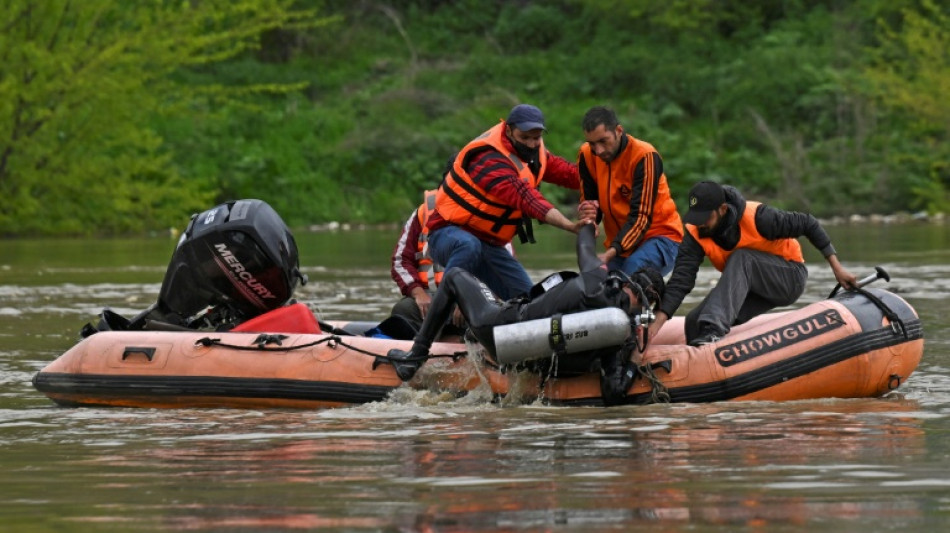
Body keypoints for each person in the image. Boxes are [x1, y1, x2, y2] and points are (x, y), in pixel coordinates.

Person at [386, 223, 666, 404]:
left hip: (501, 330)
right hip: (536, 363)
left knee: (455, 276)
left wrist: (587, 222)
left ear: (627, 280)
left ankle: (415, 358)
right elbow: (614, 392)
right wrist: (634, 362)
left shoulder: (595, 279)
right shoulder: (621, 334)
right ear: (648, 304)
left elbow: (583, 247)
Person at [648, 180, 858, 346]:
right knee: (695, 321)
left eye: (705, 217)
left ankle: (713, 332)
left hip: (788, 277)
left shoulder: (760, 217)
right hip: (749, 288)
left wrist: (837, 269)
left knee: (742, 258)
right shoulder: (695, 234)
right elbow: (680, 282)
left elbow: (808, 224)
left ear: (722, 209)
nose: (700, 223)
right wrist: (656, 325)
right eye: (696, 217)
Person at [426, 104, 585, 301]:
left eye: (536, 138)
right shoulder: (488, 159)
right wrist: (569, 225)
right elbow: (526, 197)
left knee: (530, 301)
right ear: (509, 131)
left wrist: (609, 179)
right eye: (524, 137)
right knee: (468, 245)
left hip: (489, 244)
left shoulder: (536, 152)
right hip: (448, 235)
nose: (530, 144)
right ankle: (433, 325)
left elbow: (570, 174)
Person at [576, 106, 683, 276]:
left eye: (604, 141)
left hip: (662, 237)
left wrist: (610, 253)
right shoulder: (586, 155)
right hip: (620, 245)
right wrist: (588, 215)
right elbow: (590, 203)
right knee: (600, 287)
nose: (599, 150)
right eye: (592, 144)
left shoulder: (644, 156)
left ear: (618, 131)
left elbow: (641, 217)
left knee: (630, 275)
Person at [389, 189, 512, 334]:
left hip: (475, 300)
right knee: (403, 309)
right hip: (430, 298)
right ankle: (423, 346)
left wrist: (470, 298)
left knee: (492, 315)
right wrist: (418, 294)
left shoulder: (491, 215)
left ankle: (465, 344)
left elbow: (502, 272)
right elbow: (400, 260)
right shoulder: (422, 214)